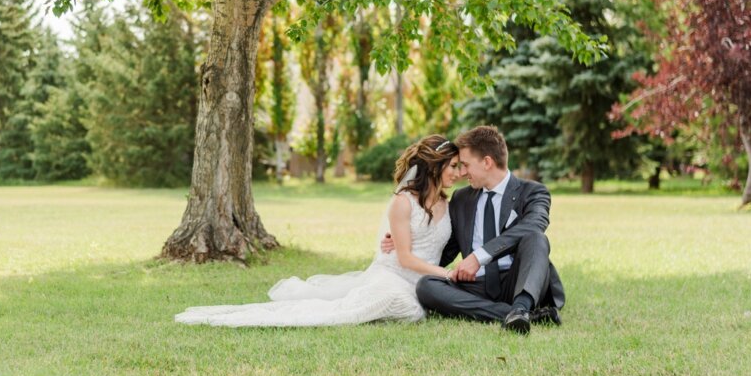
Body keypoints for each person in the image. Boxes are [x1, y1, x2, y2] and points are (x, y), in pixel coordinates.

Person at [175, 135, 462, 327]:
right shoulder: (402, 203)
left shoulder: (448, 205)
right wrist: (447, 274)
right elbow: (405, 258)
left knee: (415, 309)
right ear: (434, 167)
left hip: (425, 282)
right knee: (384, 309)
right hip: (395, 275)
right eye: (452, 166)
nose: (457, 173)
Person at [381, 125, 565, 333]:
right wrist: (406, 240)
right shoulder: (461, 199)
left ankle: (521, 306)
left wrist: (479, 257)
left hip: (517, 280)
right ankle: (519, 314)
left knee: (536, 238)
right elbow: (445, 247)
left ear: (487, 162)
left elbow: (535, 224)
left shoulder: (532, 192)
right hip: (475, 285)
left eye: (465, 165)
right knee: (426, 286)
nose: (461, 173)